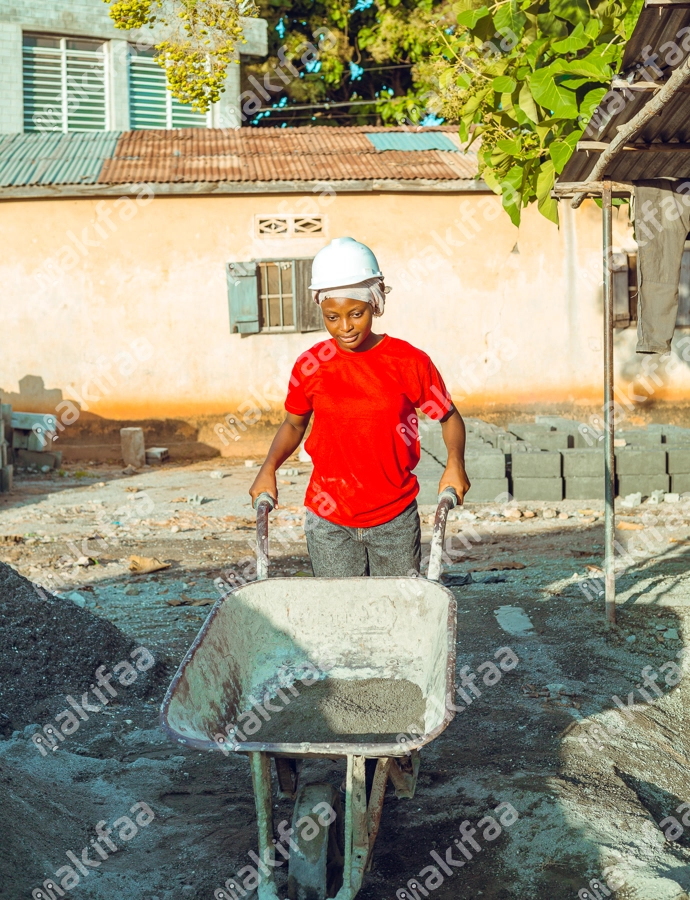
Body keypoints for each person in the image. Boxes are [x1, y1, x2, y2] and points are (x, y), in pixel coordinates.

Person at [249, 236, 470, 577]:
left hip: (393, 517)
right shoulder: (311, 364)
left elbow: (448, 417)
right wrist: (268, 468)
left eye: (356, 313)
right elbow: (293, 425)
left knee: (395, 612)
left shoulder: (407, 361)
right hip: (328, 520)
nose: (345, 327)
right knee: (341, 615)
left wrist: (455, 463)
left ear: (376, 304)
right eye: (332, 317)